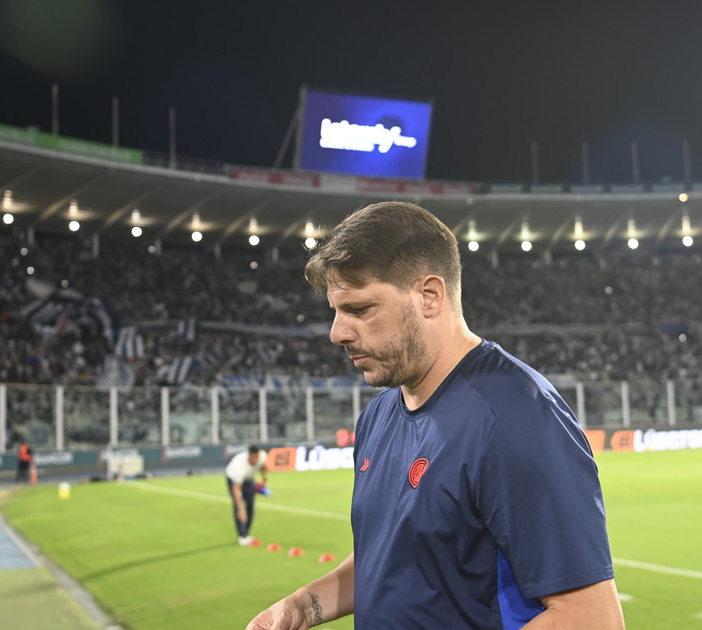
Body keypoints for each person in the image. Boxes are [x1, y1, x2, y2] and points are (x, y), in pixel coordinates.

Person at [246, 202, 625, 629]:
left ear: (429, 296)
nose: (337, 333)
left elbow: (592, 618)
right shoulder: (378, 416)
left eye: (360, 309)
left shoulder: (516, 417)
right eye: (335, 311)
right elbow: (390, 563)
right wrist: (300, 607)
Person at [226, 444, 268, 546]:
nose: (256, 460)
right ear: (249, 456)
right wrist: (240, 509)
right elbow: (236, 490)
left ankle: (247, 533)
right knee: (238, 508)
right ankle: (242, 536)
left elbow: (263, 467)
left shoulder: (262, 456)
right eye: (254, 457)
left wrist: (264, 480)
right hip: (233, 480)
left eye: (257, 457)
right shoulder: (239, 467)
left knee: (250, 504)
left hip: (249, 479)